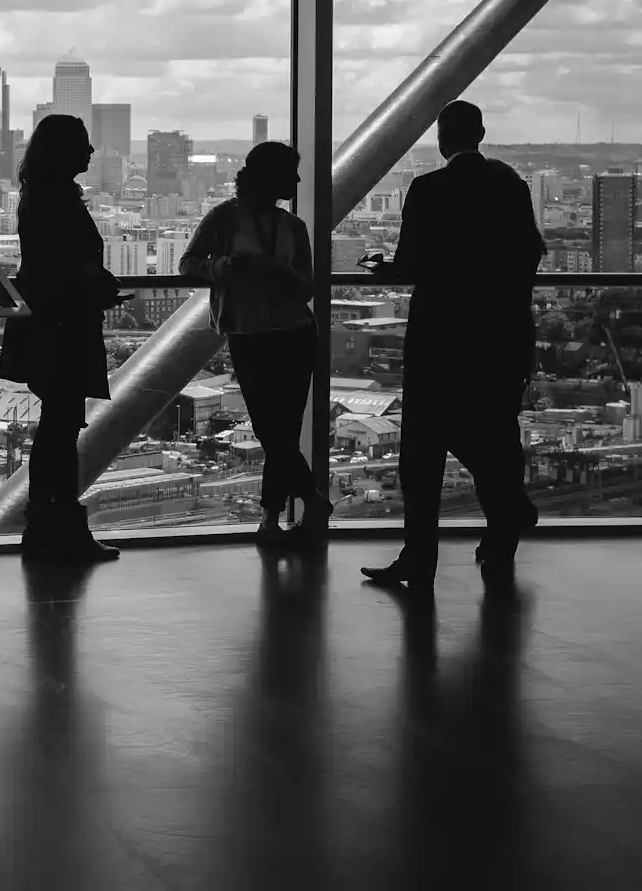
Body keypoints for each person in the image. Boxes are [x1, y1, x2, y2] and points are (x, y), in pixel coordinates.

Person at [359, 101, 546, 591]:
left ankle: (420, 559)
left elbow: (411, 266)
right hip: (501, 334)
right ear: (482, 133)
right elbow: (531, 254)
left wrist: (383, 269)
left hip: (441, 335)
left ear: (442, 140)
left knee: (423, 450)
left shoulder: (429, 188)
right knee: (496, 431)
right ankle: (503, 529)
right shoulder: (511, 187)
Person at [180, 142, 325, 547]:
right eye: (290, 173)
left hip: (285, 334)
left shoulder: (292, 227)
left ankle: (271, 519)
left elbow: (307, 286)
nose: (297, 181)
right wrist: (224, 267)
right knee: (273, 431)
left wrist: (279, 276)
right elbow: (189, 266)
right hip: (262, 334)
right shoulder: (224, 218)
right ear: (270, 176)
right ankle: (306, 502)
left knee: (280, 432)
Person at [0, 114, 125, 561]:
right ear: (64, 151)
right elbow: (65, 264)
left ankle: (46, 527)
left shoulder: (39, 195)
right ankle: (63, 528)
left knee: (56, 429)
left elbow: (49, 262)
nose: (91, 152)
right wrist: (96, 285)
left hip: (48, 321)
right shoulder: (58, 199)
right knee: (61, 430)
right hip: (63, 325)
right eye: (84, 145)